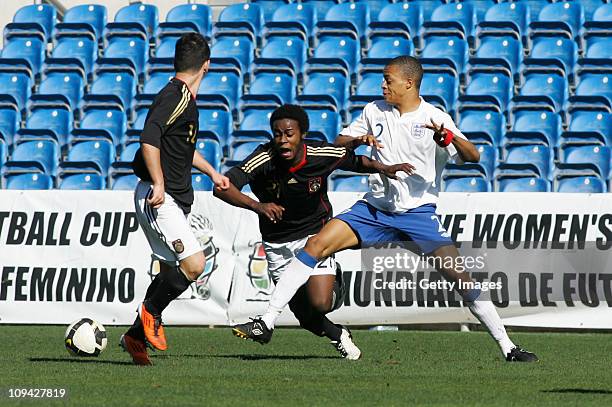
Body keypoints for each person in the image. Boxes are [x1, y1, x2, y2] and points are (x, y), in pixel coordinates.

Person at [233, 56, 538, 362]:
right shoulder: (374, 109)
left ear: (409, 83)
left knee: (461, 279)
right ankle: (268, 320)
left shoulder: (434, 116)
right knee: (316, 243)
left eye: (388, 79)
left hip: (418, 213)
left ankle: (508, 347)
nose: (382, 84)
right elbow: (339, 144)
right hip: (375, 208)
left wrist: (448, 138)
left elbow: (472, 156)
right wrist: (357, 139)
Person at [215, 104, 415, 360]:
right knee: (305, 315)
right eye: (277, 134)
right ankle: (339, 334)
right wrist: (258, 206)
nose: (283, 140)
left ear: (302, 134)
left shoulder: (320, 152)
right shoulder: (263, 158)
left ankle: (335, 282)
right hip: (277, 244)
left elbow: (352, 160)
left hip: (315, 236)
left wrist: (383, 168)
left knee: (320, 302)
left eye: (289, 134)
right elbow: (223, 187)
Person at [120, 32, 230, 365]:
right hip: (160, 198)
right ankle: (150, 315)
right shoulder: (177, 98)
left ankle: (135, 337)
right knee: (194, 264)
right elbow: (149, 138)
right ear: (206, 67)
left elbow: (180, 147)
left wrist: (212, 172)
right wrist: (158, 183)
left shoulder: (180, 98)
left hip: (168, 197)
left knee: (173, 270)